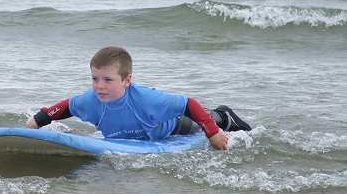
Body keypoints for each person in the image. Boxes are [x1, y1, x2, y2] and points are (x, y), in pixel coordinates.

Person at [25, 46, 251, 150]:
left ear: (127, 80)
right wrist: (37, 120)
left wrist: (213, 134)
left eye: (107, 80)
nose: (99, 86)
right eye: (95, 79)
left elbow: (188, 104)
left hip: (171, 127)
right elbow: (66, 107)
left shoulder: (147, 100)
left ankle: (224, 115)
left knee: (198, 123)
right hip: (133, 138)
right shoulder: (90, 100)